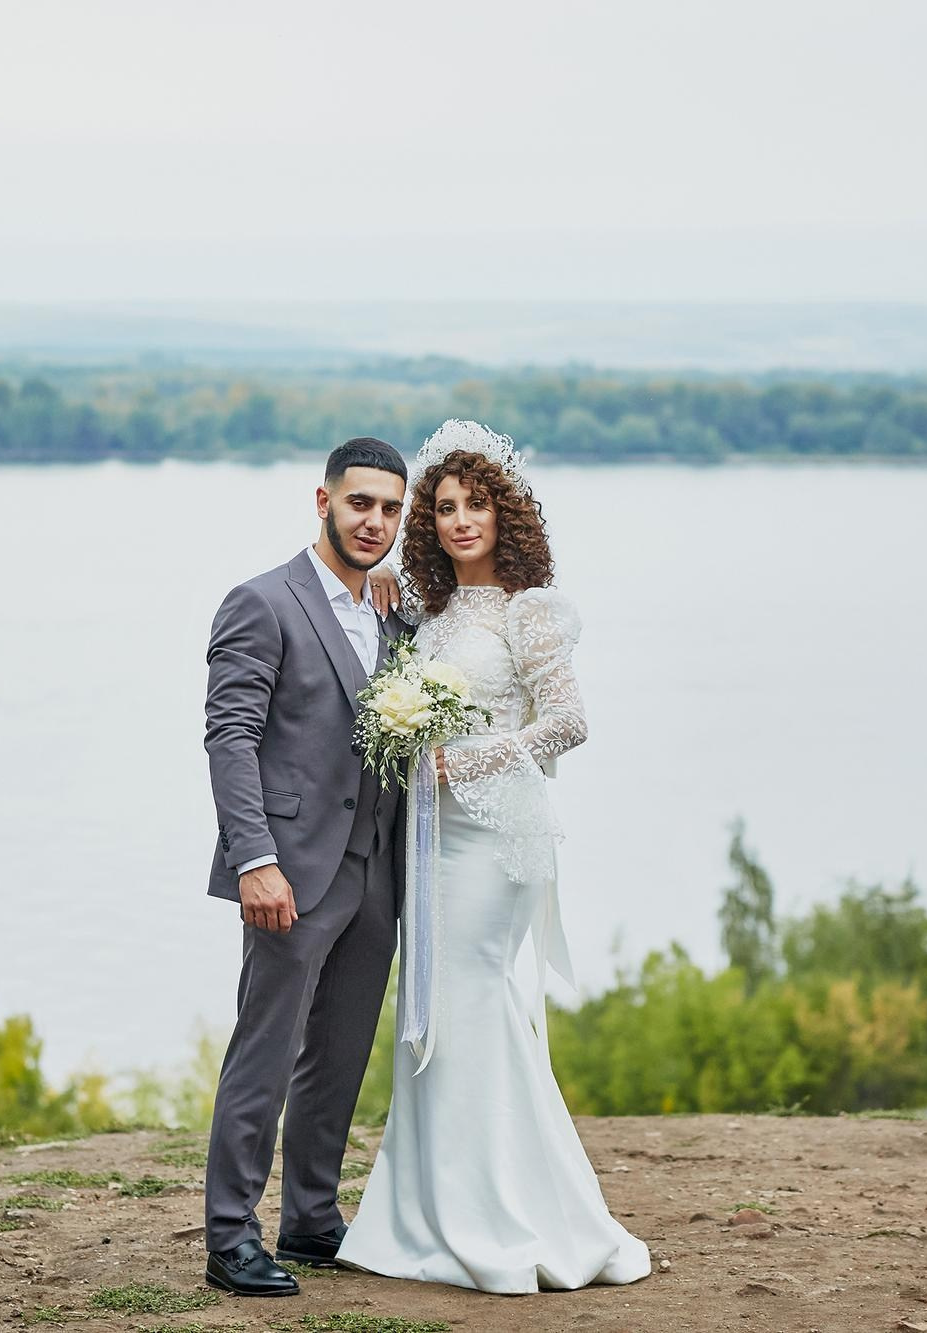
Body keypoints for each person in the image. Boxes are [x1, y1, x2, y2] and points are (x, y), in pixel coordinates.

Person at [338, 420, 652, 1293]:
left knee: (472, 996)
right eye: (442, 507)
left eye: (476, 503)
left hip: (495, 833)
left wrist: (462, 758)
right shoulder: (428, 610)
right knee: (432, 1000)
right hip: (429, 837)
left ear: (504, 512)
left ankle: (510, 1214)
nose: (459, 518)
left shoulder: (532, 609)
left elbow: (570, 722)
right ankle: (428, 1211)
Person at [199, 437, 410, 1297]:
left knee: (339, 1050)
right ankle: (229, 1235)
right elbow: (231, 735)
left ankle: (313, 1218)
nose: (377, 522)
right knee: (267, 1047)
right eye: (362, 503)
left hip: (374, 870)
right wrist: (255, 858)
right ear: (322, 501)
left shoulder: (394, 611)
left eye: (392, 509)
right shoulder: (262, 601)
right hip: (288, 871)